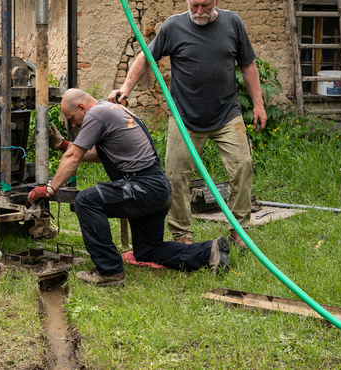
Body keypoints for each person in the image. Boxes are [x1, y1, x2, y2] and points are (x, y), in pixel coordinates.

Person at [28, 89, 230, 287]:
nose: (73, 123)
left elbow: (74, 157)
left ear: (81, 107)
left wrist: (50, 189)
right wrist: (64, 144)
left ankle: (109, 271)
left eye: (72, 118)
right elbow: (97, 155)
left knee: (86, 201)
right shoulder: (111, 110)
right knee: (147, 251)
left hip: (142, 187)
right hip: (157, 188)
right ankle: (209, 252)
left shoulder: (97, 114)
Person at [108, 0, 267, 249]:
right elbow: (145, 58)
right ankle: (181, 232)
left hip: (227, 114)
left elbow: (248, 64)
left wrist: (258, 104)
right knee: (175, 176)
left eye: (205, 5)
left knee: (242, 167)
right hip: (184, 118)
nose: (199, 11)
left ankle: (239, 230)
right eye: (194, 5)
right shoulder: (173, 26)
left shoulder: (232, 23)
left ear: (216, 1)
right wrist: (125, 88)